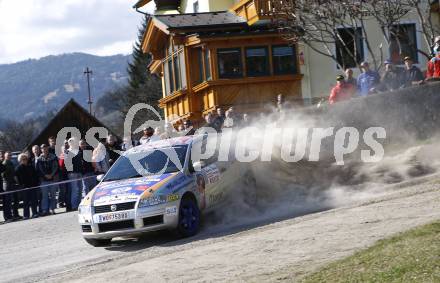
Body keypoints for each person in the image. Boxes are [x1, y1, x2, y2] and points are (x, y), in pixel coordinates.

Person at [36, 144, 59, 215]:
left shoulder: (53, 157)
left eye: (45, 148)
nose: (44, 149)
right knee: (45, 196)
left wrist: (51, 175)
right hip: (44, 180)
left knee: (53, 196)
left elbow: (56, 167)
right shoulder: (39, 159)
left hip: (52, 179)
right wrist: (45, 175)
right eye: (42, 148)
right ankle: (45, 210)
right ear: (41, 150)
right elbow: (39, 170)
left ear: (47, 148)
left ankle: (53, 209)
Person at [15, 153, 39, 219]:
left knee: (34, 201)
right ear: (20, 160)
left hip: (32, 186)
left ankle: (35, 213)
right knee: (26, 202)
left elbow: (35, 175)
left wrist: (35, 183)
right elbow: (16, 178)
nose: (25, 160)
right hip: (24, 188)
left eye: (25, 159)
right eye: (23, 159)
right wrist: (21, 185)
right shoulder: (18, 168)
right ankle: (26, 215)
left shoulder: (30, 166)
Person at [3, 151, 20, 220]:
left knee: (15, 200)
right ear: (5, 156)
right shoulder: (4, 163)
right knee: (8, 201)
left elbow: (14, 173)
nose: (9, 156)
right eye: (8, 155)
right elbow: (3, 175)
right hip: (7, 184)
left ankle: (15, 215)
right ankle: (8, 216)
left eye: (10, 155)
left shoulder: (11, 163)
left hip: (13, 184)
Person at [66, 138, 83, 210]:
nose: (72, 143)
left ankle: (79, 204)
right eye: (70, 142)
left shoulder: (78, 151)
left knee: (80, 189)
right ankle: (74, 206)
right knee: (75, 190)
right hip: (72, 174)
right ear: (69, 143)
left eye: (73, 142)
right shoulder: (67, 152)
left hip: (79, 172)